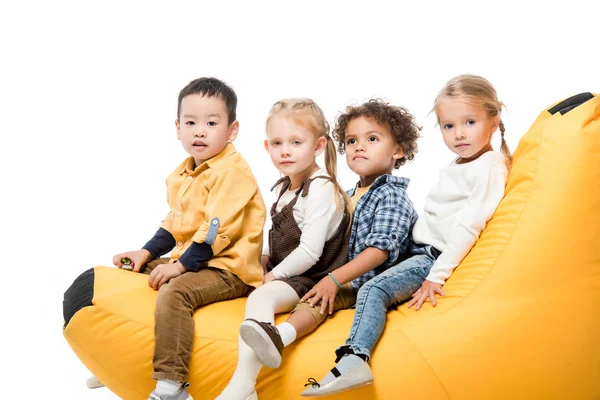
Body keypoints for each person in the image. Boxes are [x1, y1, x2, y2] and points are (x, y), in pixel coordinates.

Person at [301, 74, 512, 397]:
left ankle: (354, 359)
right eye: (448, 126)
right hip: (417, 252)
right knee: (363, 285)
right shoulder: (465, 163)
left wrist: (437, 276)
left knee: (373, 289)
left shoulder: (489, 166)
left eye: (469, 122)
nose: (459, 134)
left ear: (494, 121)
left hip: (431, 258)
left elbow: (471, 225)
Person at [88, 77, 267, 400]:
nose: (200, 131)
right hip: (196, 259)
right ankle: (125, 359)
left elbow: (216, 230)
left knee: (175, 293)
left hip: (229, 269)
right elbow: (175, 222)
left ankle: (172, 384)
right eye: (191, 122)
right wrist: (145, 252)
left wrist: (180, 267)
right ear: (178, 128)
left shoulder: (232, 172)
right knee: (132, 273)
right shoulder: (183, 173)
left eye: (212, 123)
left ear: (232, 130)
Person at [216, 98, 352, 400]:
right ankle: (249, 375)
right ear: (267, 147)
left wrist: (273, 276)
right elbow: (275, 235)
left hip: (313, 278)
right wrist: (263, 258)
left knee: (261, 296)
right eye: (277, 143)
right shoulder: (282, 187)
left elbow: (310, 252)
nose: (285, 150)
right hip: (289, 273)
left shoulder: (320, 188)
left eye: (295, 142)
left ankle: (244, 383)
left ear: (317, 146)